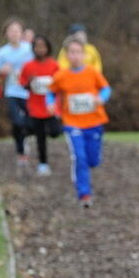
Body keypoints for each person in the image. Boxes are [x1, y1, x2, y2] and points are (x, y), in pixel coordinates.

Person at [48, 37, 110, 207]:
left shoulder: (92, 72)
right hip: (72, 123)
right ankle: (84, 194)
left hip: (94, 122)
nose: (75, 56)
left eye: (78, 52)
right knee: (79, 157)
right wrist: (50, 104)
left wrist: (101, 98)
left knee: (93, 160)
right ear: (67, 56)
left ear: (84, 55)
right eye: (72, 53)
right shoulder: (61, 76)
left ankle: (93, 160)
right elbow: (51, 92)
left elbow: (106, 88)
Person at [0, 18, 34, 166]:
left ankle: (25, 138)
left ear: (22, 33)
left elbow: (40, 65)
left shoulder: (30, 49)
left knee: (30, 123)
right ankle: (21, 151)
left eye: (17, 30)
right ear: (6, 34)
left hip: (30, 92)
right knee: (17, 122)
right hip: (12, 92)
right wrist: (1, 71)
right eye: (11, 31)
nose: (14, 33)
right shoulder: (2, 52)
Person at [19, 35, 62, 175]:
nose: (40, 49)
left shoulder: (54, 65)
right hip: (35, 107)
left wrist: (56, 102)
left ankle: (33, 134)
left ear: (48, 48)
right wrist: (29, 83)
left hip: (51, 108)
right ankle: (43, 164)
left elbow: (61, 84)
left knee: (55, 132)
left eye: (43, 46)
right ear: (33, 48)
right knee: (40, 137)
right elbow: (22, 84)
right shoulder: (28, 66)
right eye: (37, 46)